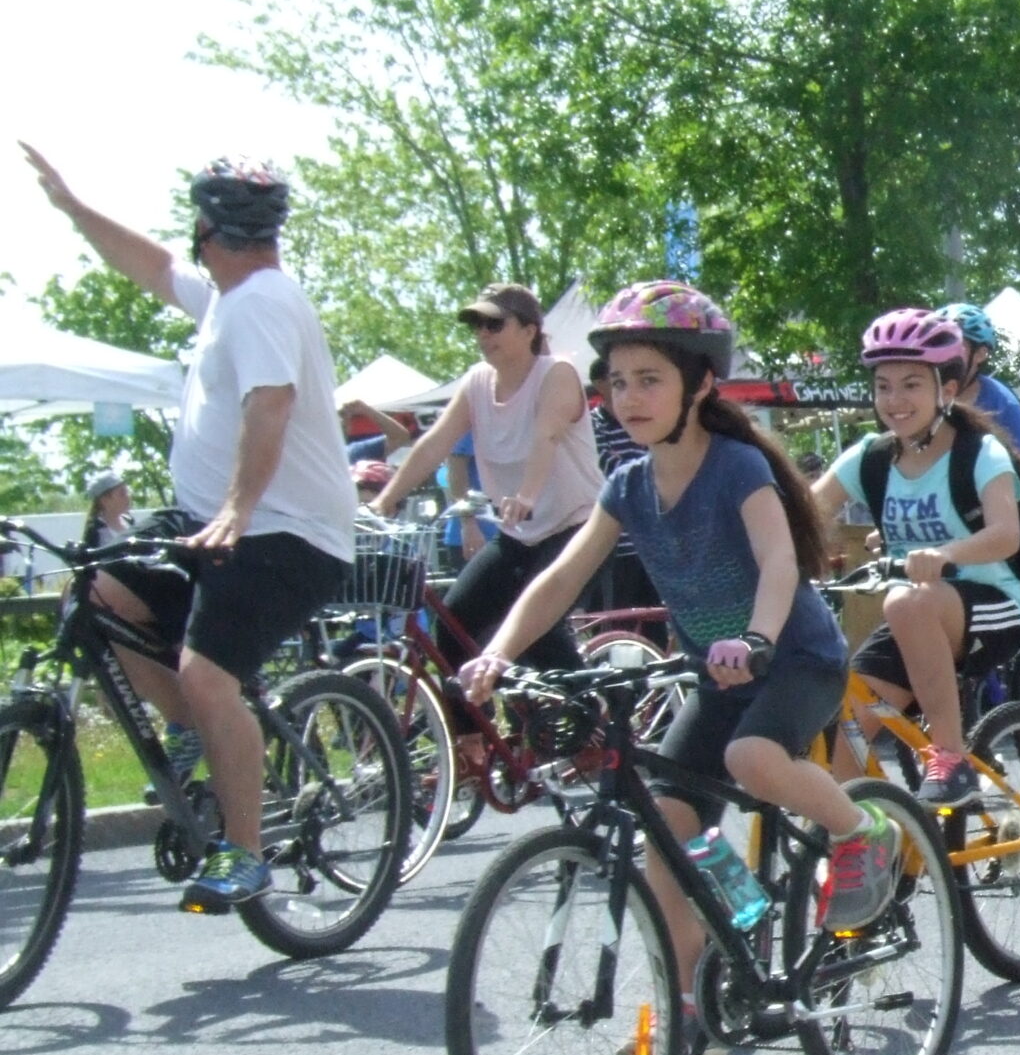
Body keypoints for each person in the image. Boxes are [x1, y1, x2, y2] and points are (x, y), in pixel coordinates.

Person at [457, 281, 884, 1055]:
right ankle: (694, 1001)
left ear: (700, 384)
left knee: (751, 760)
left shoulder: (738, 467)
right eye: (616, 382)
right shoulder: (627, 487)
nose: (628, 397)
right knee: (663, 835)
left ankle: (862, 830)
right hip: (718, 678)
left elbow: (780, 560)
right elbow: (558, 581)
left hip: (793, 661)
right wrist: (499, 651)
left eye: (649, 378)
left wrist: (755, 638)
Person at [24, 145, 355, 912]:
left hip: (285, 530)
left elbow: (269, 404)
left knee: (209, 676)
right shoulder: (227, 302)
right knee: (98, 596)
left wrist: (239, 509)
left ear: (209, 226)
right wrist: (75, 210)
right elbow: (150, 265)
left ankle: (244, 851)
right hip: (216, 518)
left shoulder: (265, 301)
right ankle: (196, 730)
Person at [810, 309, 1020, 801]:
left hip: (992, 603)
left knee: (907, 602)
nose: (895, 400)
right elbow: (804, 513)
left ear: (946, 391)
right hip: (915, 611)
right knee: (845, 731)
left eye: (911, 384)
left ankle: (951, 759)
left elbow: (1005, 535)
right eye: (883, 386)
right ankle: (880, 851)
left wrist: (944, 554)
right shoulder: (870, 456)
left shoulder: (980, 453)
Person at [367, 283, 603, 676]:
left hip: (578, 526)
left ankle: (591, 717)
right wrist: (383, 501)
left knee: (534, 624)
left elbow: (546, 436)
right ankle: (472, 735)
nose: (482, 334)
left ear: (530, 331)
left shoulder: (556, 374)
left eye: (494, 324)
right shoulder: (476, 382)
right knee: (454, 624)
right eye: (476, 325)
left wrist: (526, 495)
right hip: (519, 533)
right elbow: (433, 445)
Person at [936, 302, 1020, 497]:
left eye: (956, 345)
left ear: (980, 354)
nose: (946, 354)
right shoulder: (923, 393)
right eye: (940, 343)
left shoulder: (1001, 401)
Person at [584, 354, 659, 614]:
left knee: (652, 620)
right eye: (617, 382)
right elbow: (609, 468)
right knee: (617, 621)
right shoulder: (592, 425)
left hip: (649, 542)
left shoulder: (647, 422)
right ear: (600, 384)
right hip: (613, 546)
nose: (627, 392)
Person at [81, 471, 132, 548]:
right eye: (122, 493)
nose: (128, 497)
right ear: (105, 500)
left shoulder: (130, 522)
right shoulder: (95, 532)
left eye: (127, 492)